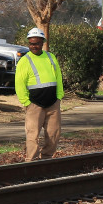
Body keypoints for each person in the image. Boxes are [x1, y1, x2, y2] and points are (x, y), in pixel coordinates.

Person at [15, 28, 64, 162]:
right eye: (31, 43)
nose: (33, 46)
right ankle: (31, 161)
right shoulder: (24, 61)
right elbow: (19, 84)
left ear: (42, 42)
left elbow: (58, 77)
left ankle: (47, 159)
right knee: (32, 134)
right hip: (34, 105)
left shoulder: (50, 57)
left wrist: (59, 97)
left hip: (53, 103)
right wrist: (26, 102)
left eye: (36, 43)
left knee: (54, 133)